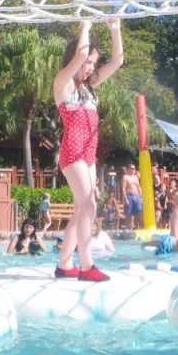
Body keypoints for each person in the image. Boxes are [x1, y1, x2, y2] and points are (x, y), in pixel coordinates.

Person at [52, 18, 122, 282]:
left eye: (93, 63)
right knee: (89, 205)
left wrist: (115, 31)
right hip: (72, 151)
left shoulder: (89, 88)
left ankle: (64, 264)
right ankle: (86, 266)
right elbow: (80, 53)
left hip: (89, 153)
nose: (91, 67)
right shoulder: (64, 83)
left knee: (82, 209)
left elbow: (117, 62)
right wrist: (85, 27)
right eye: (88, 62)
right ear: (75, 59)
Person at [121, 163, 143, 230]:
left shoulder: (135, 177)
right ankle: (128, 227)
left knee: (138, 212)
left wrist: (141, 196)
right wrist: (125, 199)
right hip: (129, 196)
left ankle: (137, 228)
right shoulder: (125, 177)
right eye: (132, 168)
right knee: (129, 214)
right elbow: (123, 189)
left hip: (136, 196)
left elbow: (138, 186)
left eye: (134, 168)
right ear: (128, 169)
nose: (134, 169)